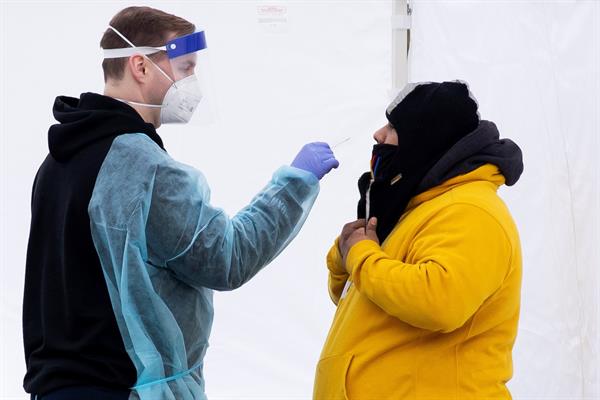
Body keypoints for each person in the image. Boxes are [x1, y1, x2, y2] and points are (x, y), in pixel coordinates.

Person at [23, 6, 338, 400]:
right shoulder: (141, 165)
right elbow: (227, 258)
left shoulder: (59, 157)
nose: (194, 84)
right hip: (119, 388)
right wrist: (295, 184)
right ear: (140, 66)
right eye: (186, 68)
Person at [314, 81, 523, 399]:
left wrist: (361, 256)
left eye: (393, 127)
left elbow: (439, 300)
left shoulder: (469, 210)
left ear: (424, 140)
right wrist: (344, 258)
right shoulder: (418, 208)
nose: (378, 135)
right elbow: (364, 300)